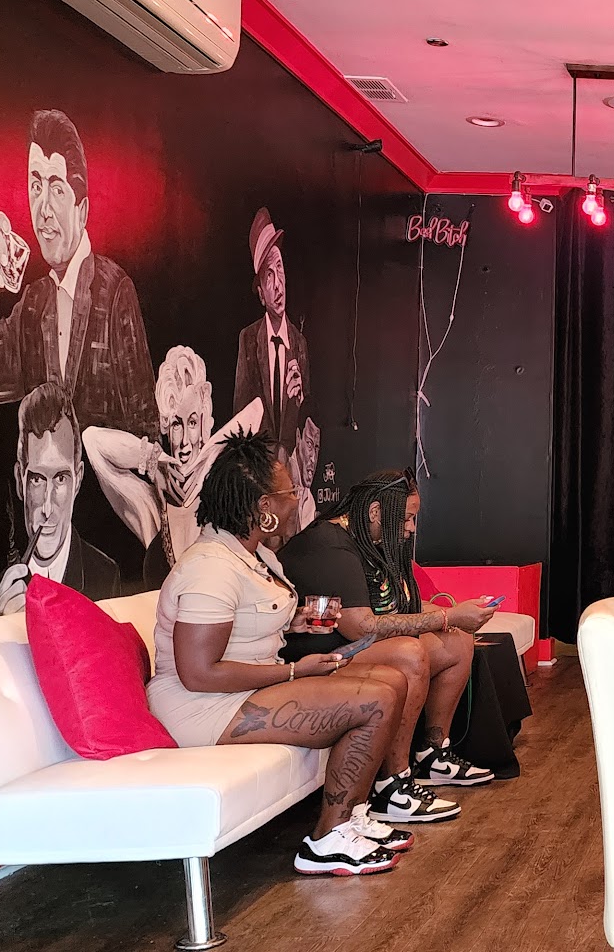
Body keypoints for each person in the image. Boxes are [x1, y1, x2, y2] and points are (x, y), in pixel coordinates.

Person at [146, 430, 414, 875]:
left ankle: (352, 816)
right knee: (376, 699)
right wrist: (295, 672)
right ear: (264, 507)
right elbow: (198, 673)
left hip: (238, 691)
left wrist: (295, 622)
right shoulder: (209, 569)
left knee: (392, 680)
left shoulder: (254, 556)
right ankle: (327, 841)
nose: (297, 500)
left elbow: (244, 622)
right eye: (290, 493)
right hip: (202, 707)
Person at [278, 468, 497, 795]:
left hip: (345, 645)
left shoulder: (367, 539)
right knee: (409, 653)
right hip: (314, 656)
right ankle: (393, 782)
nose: (410, 528)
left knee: (457, 640)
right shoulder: (329, 544)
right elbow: (362, 627)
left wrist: (456, 616)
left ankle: (432, 753)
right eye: (406, 518)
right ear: (375, 512)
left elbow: (390, 609)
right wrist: (446, 616)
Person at [0, 109, 157, 437]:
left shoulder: (115, 289)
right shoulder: (33, 304)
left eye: (57, 189)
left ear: (82, 210)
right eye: (36, 186)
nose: (43, 210)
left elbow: (145, 426)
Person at [83, 346, 264, 589]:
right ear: (167, 427)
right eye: (177, 424)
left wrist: (206, 464)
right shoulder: (153, 509)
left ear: (204, 423)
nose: (185, 440)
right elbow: (92, 440)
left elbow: (256, 411)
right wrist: (155, 460)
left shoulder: (222, 503)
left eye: (193, 422)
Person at [0, 383, 121, 617]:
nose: (47, 508)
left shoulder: (105, 577)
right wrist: (1, 626)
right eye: (37, 480)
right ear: (20, 482)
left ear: (78, 480)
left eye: (61, 478)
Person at [234, 208, 310, 457]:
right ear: (261, 295)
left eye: (280, 268)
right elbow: (240, 415)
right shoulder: (248, 339)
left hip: (289, 470)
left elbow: (309, 421)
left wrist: (299, 400)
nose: (278, 285)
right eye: (269, 276)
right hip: (259, 465)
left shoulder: (299, 343)